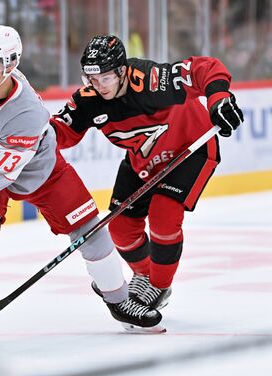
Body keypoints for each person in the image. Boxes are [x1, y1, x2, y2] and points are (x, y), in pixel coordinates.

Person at [0, 24, 163, 345]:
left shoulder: (27, 113)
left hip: (41, 171)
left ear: (11, 63)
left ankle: (120, 300)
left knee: (90, 232)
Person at [50, 35, 244, 310]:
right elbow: (59, 131)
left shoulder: (152, 81)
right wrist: (25, 141)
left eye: (105, 78)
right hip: (143, 160)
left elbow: (206, 68)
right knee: (119, 228)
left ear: (122, 71)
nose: (98, 86)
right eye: (91, 79)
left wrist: (219, 100)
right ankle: (144, 275)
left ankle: (160, 286)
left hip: (190, 148)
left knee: (164, 217)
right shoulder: (89, 100)